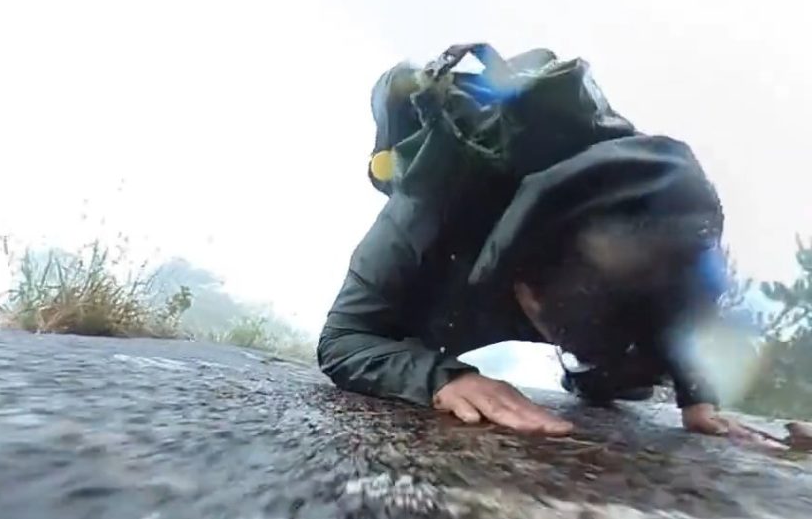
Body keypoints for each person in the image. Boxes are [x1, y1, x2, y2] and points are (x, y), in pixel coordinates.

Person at [318, 80, 767, 441]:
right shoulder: (429, 204)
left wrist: (697, 398)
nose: (579, 344)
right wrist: (442, 379)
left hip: (552, 279)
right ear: (525, 288)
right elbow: (343, 338)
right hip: (454, 283)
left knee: (628, 375)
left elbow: (677, 306)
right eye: (575, 333)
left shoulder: (643, 236)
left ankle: (600, 371)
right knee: (404, 339)